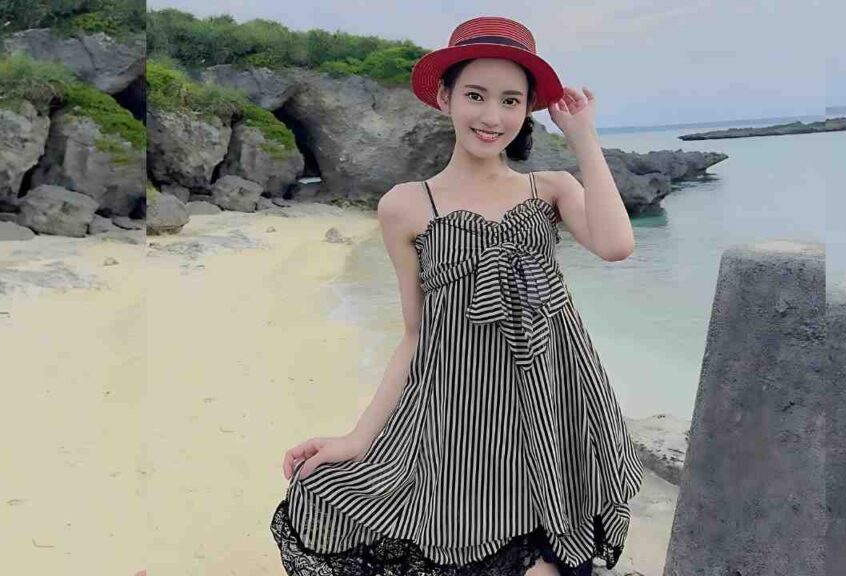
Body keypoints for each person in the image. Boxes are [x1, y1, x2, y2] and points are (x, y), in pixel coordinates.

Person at [270, 15, 644, 576]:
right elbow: (416, 336)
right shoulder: (405, 206)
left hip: (557, 412)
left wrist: (583, 136)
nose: (493, 117)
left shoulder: (553, 188)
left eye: (511, 101)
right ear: (445, 98)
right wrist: (357, 437)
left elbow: (616, 245)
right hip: (462, 426)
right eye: (476, 95)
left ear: (526, 112)